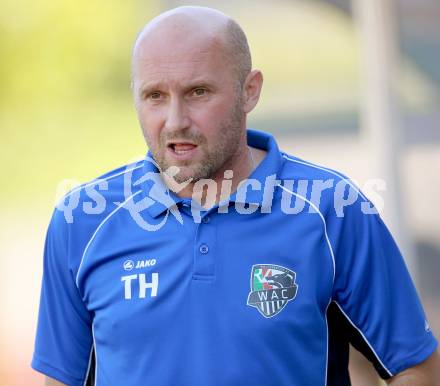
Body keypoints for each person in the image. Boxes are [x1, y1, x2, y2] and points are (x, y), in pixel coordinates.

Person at [32, 6, 439, 386]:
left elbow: (413, 365)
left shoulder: (334, 211)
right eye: (155, 95)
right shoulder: (81, 221)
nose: (175, 121)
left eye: (198, 92)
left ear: (250, 91)